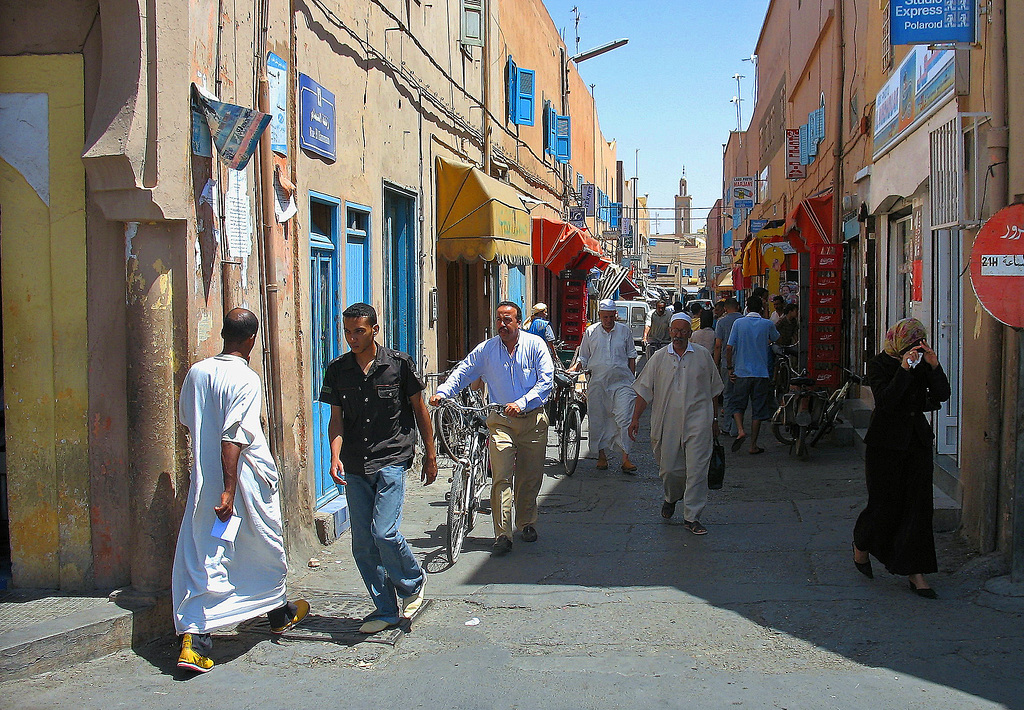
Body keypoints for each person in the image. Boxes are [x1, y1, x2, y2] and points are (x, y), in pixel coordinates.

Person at [173, 308, 309, 674]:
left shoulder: (198, 372)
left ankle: (278, 611)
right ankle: (197, 640)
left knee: (216, 551)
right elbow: (233, 435)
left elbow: (189, 419)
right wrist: (229, 490)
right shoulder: (246, 379)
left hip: (207, 481)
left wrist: (212, 477)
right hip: (241, 483)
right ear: (252, 339)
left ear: (223, 334)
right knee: (251, 547)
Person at [318, 303, 436, 634]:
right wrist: (334, 455)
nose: (352, 338)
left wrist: (430, 452)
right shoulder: (338, 370)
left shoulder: (399, 365)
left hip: (392, 457)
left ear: (374, 330)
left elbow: (419, 408)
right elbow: (336, 419)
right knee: (363, 544)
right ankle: (385, 608)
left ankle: (413, 581)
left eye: (359, 331)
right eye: (347, 332)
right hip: (356, 462)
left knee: (383, 531)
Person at [430, 301, 553, 554]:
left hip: (532, 420)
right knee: (501, 476)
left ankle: (526, 522)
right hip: (500, 421)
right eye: (499, 319)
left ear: (519, 322)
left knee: (529, 477)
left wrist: (521, 403)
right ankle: (502, 534)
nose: (502, 324)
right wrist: (442, 392)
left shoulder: (535, 345)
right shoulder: (487, 350)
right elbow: (464, 370)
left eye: (508, 320)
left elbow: (545, 382)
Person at [853, 318, 950, 598]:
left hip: (916, 442)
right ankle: (861, 544)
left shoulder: (921, 362)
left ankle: (915, 572)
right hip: (885, 443)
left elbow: (942, 394)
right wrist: (905, 369)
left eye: (919, 344)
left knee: (918, 506)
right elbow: (887, 400)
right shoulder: (878, 364)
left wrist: (933, 366)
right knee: (884, 505)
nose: (914, 349)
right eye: (911, 344)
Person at [629, 313, 724, 535]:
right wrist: (635, 418)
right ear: (670, 331)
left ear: (690, 333)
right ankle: (671, 497)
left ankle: (692, 517)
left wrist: (715, 419)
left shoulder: (702, 356)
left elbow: (714, 391)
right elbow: (644, 391)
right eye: (675, 330)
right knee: (670, 470)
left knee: (697, 470)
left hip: (699, 420)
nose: (678, 335)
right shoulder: (659, 358)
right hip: (667, 421)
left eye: (683, 331)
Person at [572, 298, 639, 473]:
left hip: (623, 382)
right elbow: (584, 356)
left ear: (615, 315)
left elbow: (632, 355)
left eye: (611, 317)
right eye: (605, 317)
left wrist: (632, 379)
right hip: (598, 382)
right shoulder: (591, 332)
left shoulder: (624, 331)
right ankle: (601, 456)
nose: (608, 320)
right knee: (598, 418)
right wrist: (576, 367)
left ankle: (625, 458)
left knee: (625, 417)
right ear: (600, 315)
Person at [725, 295, 779, 455]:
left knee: (737, 404)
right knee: (758, 409)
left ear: (747, 308)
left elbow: (728, 348)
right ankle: (753, 445)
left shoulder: (739, 323)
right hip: (761, 373)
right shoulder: (767, 324)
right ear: (761, 309)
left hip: (741, 372)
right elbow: (777, 338)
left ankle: (741, 429)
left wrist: (729, 368)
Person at [713, 298, 742, 436]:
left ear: (725, 308)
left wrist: (715, 364)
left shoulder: (721, 322)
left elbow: (718, 345)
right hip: (742, 363)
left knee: (728, 395)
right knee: (740, 395)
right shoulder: (744, 321)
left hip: (726, 363)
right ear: (737, 306)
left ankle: (727, 426)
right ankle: (738, 427)